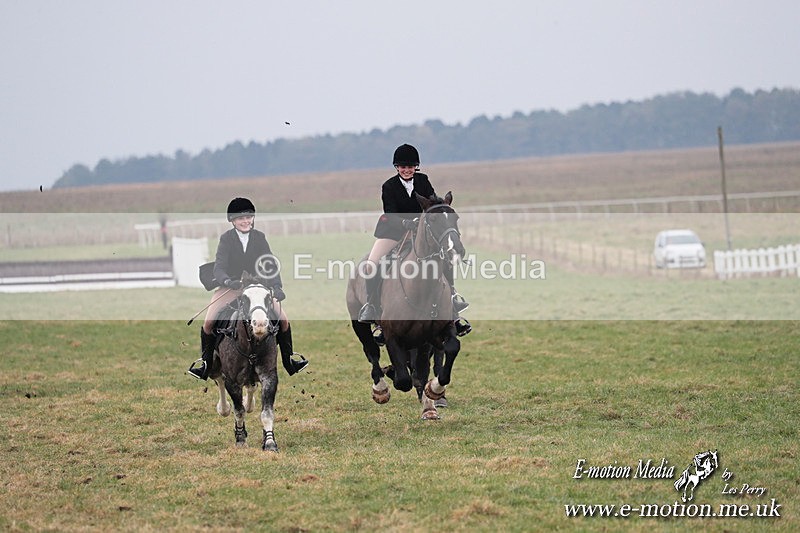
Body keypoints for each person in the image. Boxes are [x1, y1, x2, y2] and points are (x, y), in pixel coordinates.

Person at [187, 197, 308, 380]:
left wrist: (277, 286)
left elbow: (269, 264)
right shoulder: (226, 239)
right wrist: (227, 281)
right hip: (232, 287)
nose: (246, 221)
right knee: (209, 322)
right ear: (233, 221)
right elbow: (219, 267)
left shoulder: (259, 237)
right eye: (241, 218)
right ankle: (206, 364)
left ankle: (289, 360)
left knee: (283, 320)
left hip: (258, 287)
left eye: (248, 217)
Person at [357, 143, 470, 335]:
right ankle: (372, 307)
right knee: (372, 264)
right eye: (403, 167)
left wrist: (440, 206)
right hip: (393, 232)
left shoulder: (423, 180)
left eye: (410, 167)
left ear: (415, 167)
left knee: (444, 259)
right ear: (397, 167)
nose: (407, 170)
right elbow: (390, 213)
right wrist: (405, 224)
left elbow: (432, 200)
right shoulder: (389, 186)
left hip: (421, 232)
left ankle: (453, 302)